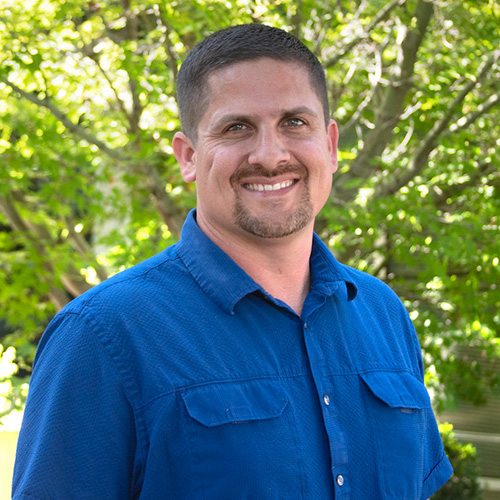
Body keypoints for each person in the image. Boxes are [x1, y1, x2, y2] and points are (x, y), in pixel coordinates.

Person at [12, 24, 452, 499]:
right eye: (236, 127)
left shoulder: (381, 313)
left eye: (294, 123)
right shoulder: (102, 335)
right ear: (188, 156)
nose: (269, 155)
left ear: (330, 145)